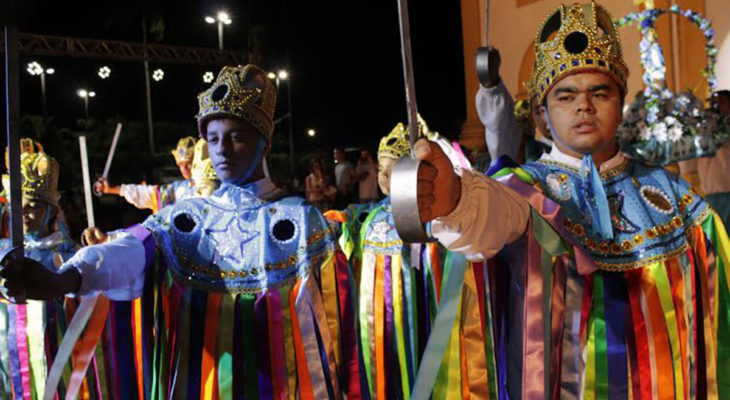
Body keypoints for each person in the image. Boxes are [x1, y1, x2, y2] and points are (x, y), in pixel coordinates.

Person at [409, 2, 730, 398]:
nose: (584, 105)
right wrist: (456, 199)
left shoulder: (672, 194)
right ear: (543, 114)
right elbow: (490, 218)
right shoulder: (525, 187)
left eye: (600, 92)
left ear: (621, 102)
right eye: (566, 96)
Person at [2, 65, 363, 399]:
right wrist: (65, 279)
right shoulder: (185, 219)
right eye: (214, 138)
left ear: (263, 144)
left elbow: (334, 324)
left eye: (236, 137)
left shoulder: (301, 222)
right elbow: (129, 251)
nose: (222, 150)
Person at [0, 150, 85, 399]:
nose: (25, 213)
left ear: (50, 210)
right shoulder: (5, 252)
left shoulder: (70, 254)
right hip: (9, 356)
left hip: (56, 354)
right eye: (21, 206)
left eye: (33, 206)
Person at [94, 136, 197, 213]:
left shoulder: (211, 184)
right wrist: (112, 189)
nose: (184, 169)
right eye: (181, 164)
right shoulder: (179, 189)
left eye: (188, 163)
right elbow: (148, 194)